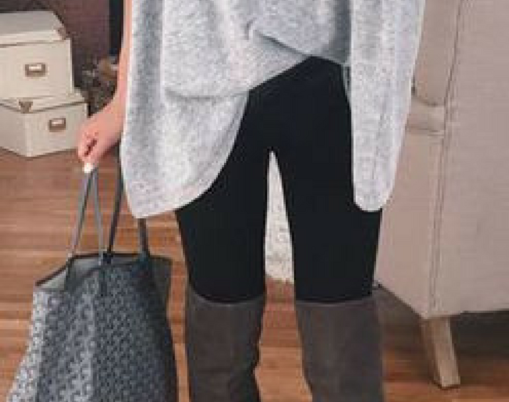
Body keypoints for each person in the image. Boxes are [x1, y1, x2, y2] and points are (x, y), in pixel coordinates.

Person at [77, 1, 425, 401]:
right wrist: (125, 96)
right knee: (220, 325)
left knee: (341, 324)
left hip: (337, 62)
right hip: (202, 69)